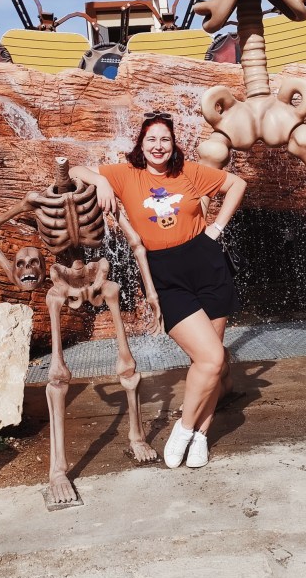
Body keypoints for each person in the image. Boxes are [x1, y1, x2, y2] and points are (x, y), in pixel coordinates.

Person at [70, 111, 246, 469]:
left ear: (173, 144)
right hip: (164, 274)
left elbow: (237, 185)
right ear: (141, 144)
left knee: (211, 363)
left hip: (207, 265)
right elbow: (74, 170)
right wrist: (100, 182)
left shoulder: (190, 172)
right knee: (211, 357)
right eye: (151, 139)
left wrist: (216, 229)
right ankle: (185, 429)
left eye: (165, 139)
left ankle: (198, 434)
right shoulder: (125, 174)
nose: (158, 146)